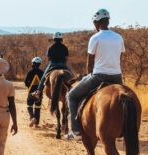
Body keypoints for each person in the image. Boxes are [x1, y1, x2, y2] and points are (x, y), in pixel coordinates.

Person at [65, 9, 125, 140]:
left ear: (97, 23)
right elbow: (120, 57)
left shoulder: (95, 38)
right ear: (108, 21)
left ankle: (76, 131)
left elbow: (90, 60)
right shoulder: (119, 37)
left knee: (72, 96)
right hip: (117, 77)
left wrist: (88, 74)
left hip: (99, 77)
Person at [34, 32, 70, 97]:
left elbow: (48, 58)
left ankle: (38, 92)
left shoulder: (50, 47)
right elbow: (66, 58)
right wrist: (64, 63)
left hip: (53, 64)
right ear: (61, 39)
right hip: (63, 65)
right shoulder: (65, 47)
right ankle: (71, 89)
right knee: (71, 75)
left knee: (43, 77)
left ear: (54, 39)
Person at [24, 57, 44, 127]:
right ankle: (36, 124)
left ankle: (32, 118)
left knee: (29, 106)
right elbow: (44, 83)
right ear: (39, 64)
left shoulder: (30, 72)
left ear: (33, 63)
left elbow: (26, 82)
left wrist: (31, 86)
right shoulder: (42, 72)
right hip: (39, 93)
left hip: (31, 93)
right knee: (37, 108)